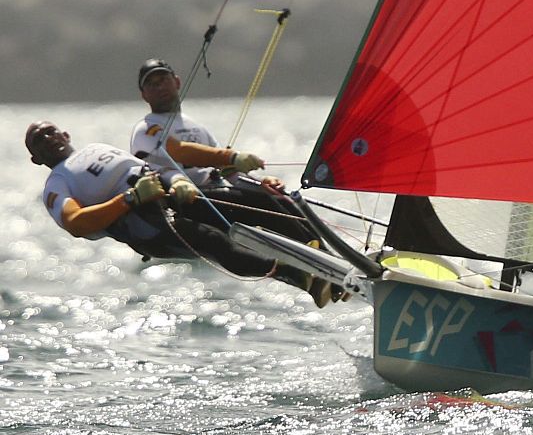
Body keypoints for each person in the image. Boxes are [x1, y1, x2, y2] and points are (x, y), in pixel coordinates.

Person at [25, 121, 343, 307]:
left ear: (65, 135)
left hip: (168, 190)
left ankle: (327, 259)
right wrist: (130, 198)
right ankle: (306, 280)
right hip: (144, 222)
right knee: (216, 242)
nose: (48, 139)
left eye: (50, 132)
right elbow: (76, 223)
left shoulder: (96, 146)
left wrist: (176, 180)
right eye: (39, 140)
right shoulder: (57, 184)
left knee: (258, 201)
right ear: (35, 159)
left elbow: (150, 166)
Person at [131, 59, 315, 250]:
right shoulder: (146, 128)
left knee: (279, 197)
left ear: (177, 82)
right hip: (183, 202)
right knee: (260, 202)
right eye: (151, 84)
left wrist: (260, 183)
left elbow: (229, 172)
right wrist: (232, 157)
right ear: (144, 95)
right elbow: (179, 150)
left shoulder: (196, 127)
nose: (159, 87)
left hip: (215, 195)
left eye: (163, 79)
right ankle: (307, 249)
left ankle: (320, 248)